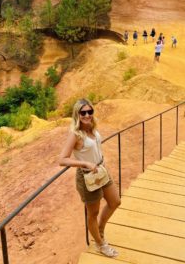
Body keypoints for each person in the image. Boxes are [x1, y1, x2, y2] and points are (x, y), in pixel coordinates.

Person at [59, 99, 120, 258]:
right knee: (93, 213)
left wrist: (100, 160)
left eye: (90, 112)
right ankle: (101, 244)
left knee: (115, 201)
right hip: (87, 177)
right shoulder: (75, 134)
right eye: (83, 112)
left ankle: (99, 230)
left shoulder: (92, 128)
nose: (87, 115)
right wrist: (84, 162)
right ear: (77, 114)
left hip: (101, 170)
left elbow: (96, 146)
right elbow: (62, 159)